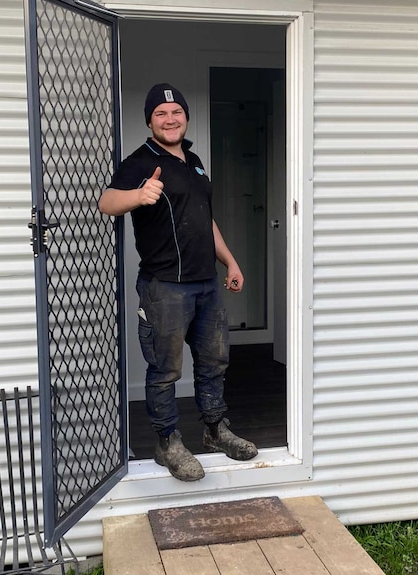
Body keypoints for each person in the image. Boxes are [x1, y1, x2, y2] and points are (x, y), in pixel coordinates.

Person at [99, 83, 257, 481]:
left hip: (206, 283)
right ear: (150, 121)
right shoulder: (140, 161)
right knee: (165, 370)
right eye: (161, 114)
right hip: (164, 286)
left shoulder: (194, 160)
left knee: (213, 362)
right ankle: (168, 442)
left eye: (176, 113)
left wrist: (231, 261)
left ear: (185, 117)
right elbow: (106, 202)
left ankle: (215, 431)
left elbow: (205, 219)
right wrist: (138, 195)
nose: (170, 120)